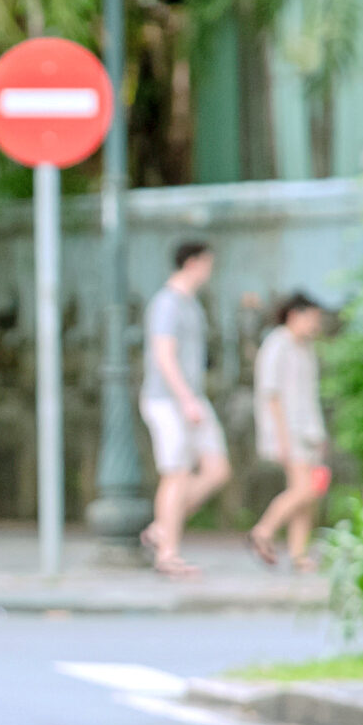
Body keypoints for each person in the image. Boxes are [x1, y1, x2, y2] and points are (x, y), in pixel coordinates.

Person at [139, 241, 228, 578]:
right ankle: (168, 554)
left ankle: (161, 528)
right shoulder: (167, 303)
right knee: (176, 473)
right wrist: (186, 399)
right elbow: (163, 355)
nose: (210, 271)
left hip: (192, 397)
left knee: (217, 469)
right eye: (207, 264)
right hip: (168, 400)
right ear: (192, 263)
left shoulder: (191, 304)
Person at [250, 293, 330, 572]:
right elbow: (270, 393)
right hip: (288, 430)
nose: (315, 325)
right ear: (295, 315)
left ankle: (299, 554)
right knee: (303, 490)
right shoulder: (277, 344)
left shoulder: (306, 348)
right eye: (312, 318)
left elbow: (310, 396)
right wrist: (280, 437)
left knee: (309, 494)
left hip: (308, 431)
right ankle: (263, 530)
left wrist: (319, 434)